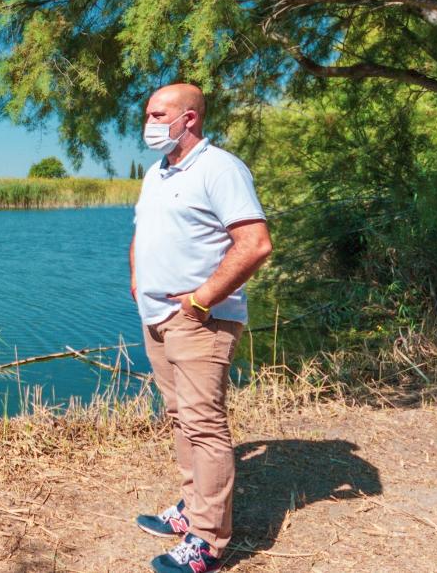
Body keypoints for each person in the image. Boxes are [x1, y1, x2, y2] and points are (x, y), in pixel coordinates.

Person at [129, 84, 273, 573]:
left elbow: (254, 243)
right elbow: (144, 231)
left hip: (201, 320)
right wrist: (137, 278)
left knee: (204, 425)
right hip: (157, 316)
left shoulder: (220, 168)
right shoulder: (158, 172)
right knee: (180, 418)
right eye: (148, 115)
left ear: (189, 118)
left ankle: (208, 541)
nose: (147, 124)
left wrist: (201, 299)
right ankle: (192, 509)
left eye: (156, 115)